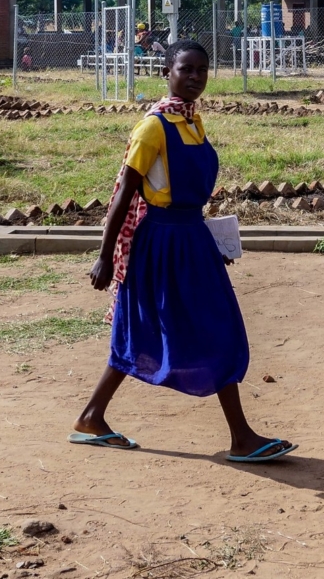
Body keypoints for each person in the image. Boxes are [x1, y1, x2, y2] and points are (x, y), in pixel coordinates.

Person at [70, 39, 297, 463]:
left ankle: (91, 416)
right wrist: (104, 254)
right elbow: (124, 194)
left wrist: (216, 241)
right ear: (166, 73)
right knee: (180, 327)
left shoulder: (193, 123)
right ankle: (241, 437)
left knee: (200, 327)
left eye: (202, 70)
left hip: (193, 240)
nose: (194, 78)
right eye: (185, 69)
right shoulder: (153, 126)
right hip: (160, 245)